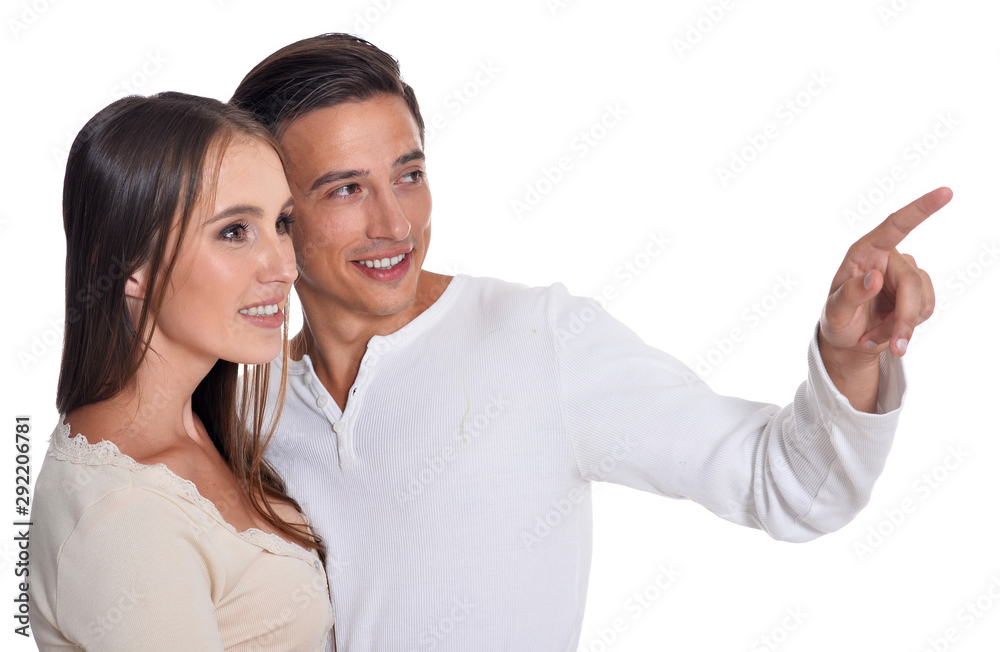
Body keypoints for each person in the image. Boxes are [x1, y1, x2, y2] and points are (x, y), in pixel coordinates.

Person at [231, 33, 949, 651]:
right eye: (346, 189)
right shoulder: (242, 404)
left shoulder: (539, 339)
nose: (395, 224)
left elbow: (791, 487)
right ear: (274, 213)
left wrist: (848, 357)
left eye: (409, 175)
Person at [29, 92, 332, 651]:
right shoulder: (123, 512)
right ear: (128, 264)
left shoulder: (203, 432)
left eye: (282, 222)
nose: (285, 266)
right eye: (235, 231)